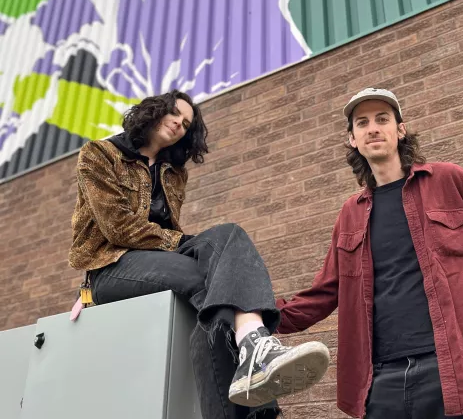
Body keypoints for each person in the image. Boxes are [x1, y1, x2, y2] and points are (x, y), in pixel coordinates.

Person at [276, 88, 463, 419]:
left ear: (400, 130)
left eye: (383, 119)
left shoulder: (448, 180)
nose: (373, 128)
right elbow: (326, 292)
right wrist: (258, 317)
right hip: (379, 383)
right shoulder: (351, 213)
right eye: (362, 123)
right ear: (352, 139)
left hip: (452, 372)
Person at [69, 89, 329, 419]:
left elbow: (164, 234)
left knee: (225, 252)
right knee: (203, 275)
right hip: (109, 267)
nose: (179, 124)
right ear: (154, 111)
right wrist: (185, 243)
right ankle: (257, 367)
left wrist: (186, 244)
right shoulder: (100, 154)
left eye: (187, 123)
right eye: (175, 114)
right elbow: (118, 227)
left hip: (155, 260)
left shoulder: (174, 172)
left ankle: (253, 347)